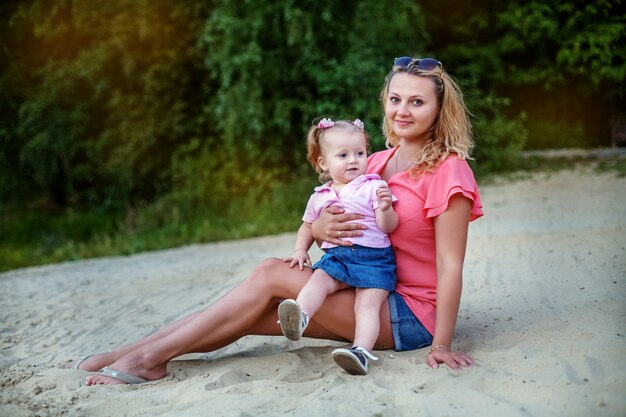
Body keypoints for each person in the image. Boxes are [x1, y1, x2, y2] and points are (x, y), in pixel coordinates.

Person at [75, 56, 483, 386]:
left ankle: (144, 358)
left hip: (409, 315)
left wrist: (441, 343)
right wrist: (320, 230)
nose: (403, 110)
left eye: (417, 101)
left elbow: (450, 265)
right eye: (396, 99)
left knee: (271, 273)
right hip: (365, 286)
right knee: (253, 312)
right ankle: (135, 354)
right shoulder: (374, 162)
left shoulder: (449, 170)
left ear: (438, 109)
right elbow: (351, 240)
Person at [279, 117, 398, 375]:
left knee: (366, 306)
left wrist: (386, 208)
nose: (353, 160)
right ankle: (300, 315)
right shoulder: (319, 195)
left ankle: (361, 352)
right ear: (323, 163)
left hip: (374, 259)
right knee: (319, 280)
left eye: (359, 153)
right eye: (343, 155)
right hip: (339, 258)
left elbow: (388, 226)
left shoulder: (373, 186)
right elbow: (308, 226)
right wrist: (301, 249)